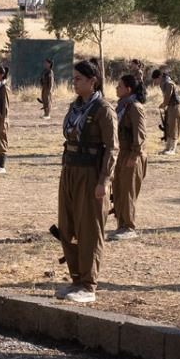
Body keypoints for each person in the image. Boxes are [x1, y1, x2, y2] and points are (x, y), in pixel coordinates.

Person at [56, 60, 117, 304]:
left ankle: (88, 284)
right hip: (70, 170)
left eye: (79, 78)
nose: (74, 82)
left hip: (91, 173)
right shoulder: (75, 107)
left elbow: (112, 148)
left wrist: (104, 180)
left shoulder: (103, 109)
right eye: (73, 78)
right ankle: (76, 279)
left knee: (89, 229)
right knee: (67, 226)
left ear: (93, 81)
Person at [110, 73, 148, 239]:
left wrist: (134, 156)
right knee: (118, 190)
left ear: (128, 89)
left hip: (131, 155)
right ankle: (121, 225)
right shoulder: (122, 106)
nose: (116, 88)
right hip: (120, 153)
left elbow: (140, 134)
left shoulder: (135, 107)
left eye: (119, 86)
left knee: (127, 192)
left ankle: (129, 227)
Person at [153, 68, 180, 155]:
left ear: (159, 77)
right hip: (170, 107)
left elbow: (167, 98)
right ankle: (167, 148)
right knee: (168, 128)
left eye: (155, 80)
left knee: (174, 127)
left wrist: (163, 104)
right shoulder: (164, 83)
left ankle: (173, 149)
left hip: (175, 107)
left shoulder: (169, 84)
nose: (155, 82)